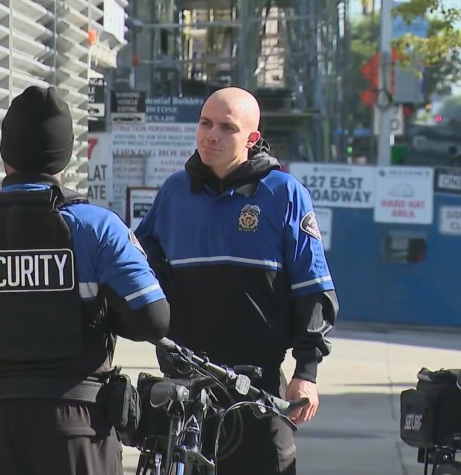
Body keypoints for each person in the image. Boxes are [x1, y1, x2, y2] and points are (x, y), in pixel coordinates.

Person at [0, 85, 171, 475]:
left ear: (6, 152)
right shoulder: (97, 226)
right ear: (65, 155)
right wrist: (96, 315)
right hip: (79, 426)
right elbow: (153, 318)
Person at [134, 86, 339, 475]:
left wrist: (307, 373)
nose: (211, 135)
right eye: (205, 123)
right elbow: (139, 269)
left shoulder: (284, 194)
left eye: (226, 127)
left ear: (252, 138)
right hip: (185, 387)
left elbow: (313, 289)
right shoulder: (175, 193)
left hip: (256, 387)